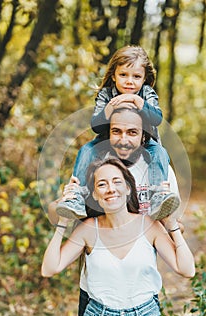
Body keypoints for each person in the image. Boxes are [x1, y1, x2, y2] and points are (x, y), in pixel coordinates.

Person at [42, 157, 195, 316]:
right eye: (102, 184)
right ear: (95, 195)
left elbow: (187, 269)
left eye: (117, 182)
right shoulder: (88, 229)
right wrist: (63, 221)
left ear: (128, 188)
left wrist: (171, 224)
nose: (110, 189)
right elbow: (49, 268)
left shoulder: (149, 226)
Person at [56, 45, 179, 220]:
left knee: (160, 152)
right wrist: (109, 108)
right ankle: (76, 195)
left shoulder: (146, 93)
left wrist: (138, 102)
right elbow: (96, 127)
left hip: (146, 140)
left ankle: (158, 194)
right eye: (123, 75)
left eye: (136, 77)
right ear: (114, 75)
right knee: (86, 150)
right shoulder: (106, 94)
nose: (130, 81)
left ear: (144, 78)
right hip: (106, 139)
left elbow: (157, 119)